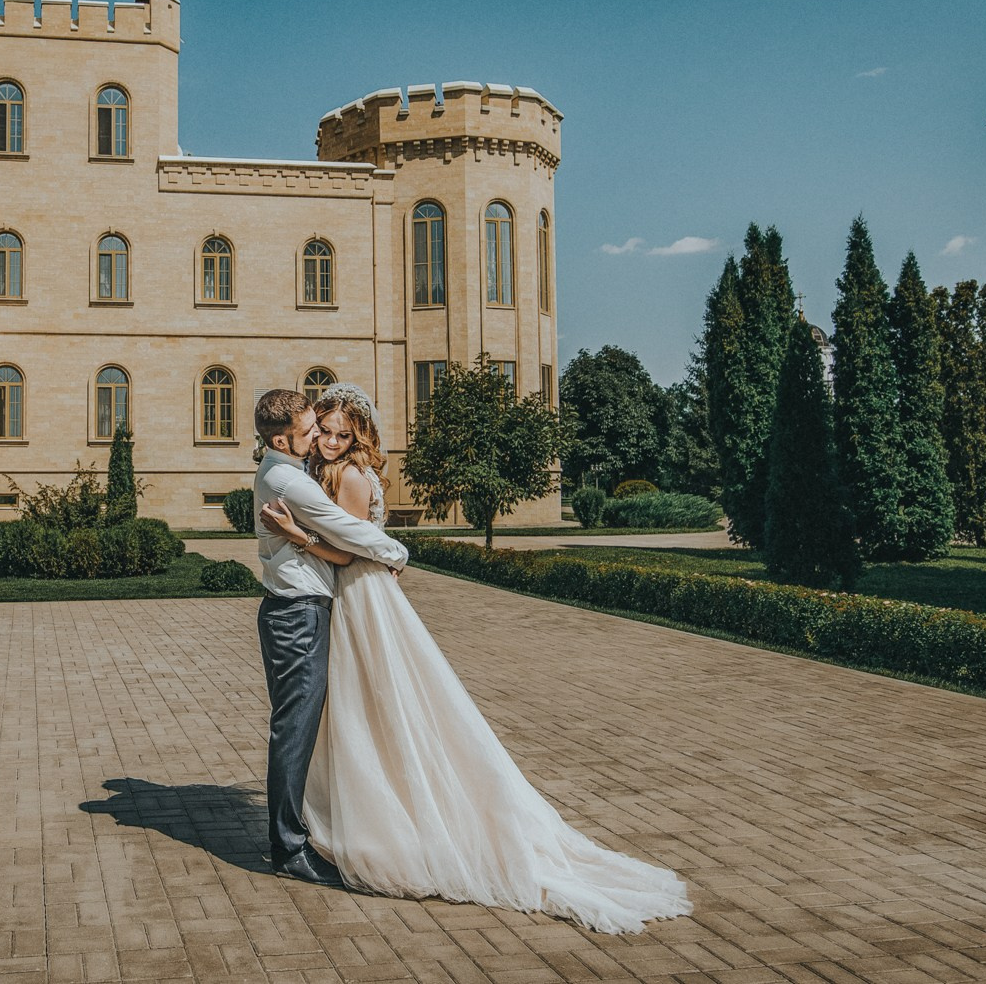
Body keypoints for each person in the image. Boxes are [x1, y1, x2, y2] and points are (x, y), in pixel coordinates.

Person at [259, 383, 693, 935]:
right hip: (356, 594)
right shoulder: (328, 472)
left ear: (359, 434)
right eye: (324, 431)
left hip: (358, 594)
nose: (329, 441)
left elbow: (348, 547)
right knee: (370, 705)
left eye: (343, 434)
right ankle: (335, 821)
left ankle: (362, 822)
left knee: (370, 705)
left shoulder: (342, 475)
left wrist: (304, 535)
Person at [248, 387, 409, 887]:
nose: (319, 435)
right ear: (282, 438)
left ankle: (297, 833)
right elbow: (344, 529)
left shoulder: (291, 470)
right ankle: (289, 848)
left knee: (298, 729)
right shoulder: (288, 480)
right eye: (310, 429)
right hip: (297, 615)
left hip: (300, 611)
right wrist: (395, 552)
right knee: (294, 732)